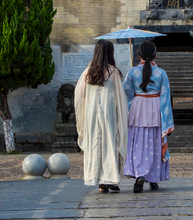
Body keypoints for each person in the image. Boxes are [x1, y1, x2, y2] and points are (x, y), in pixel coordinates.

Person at [74, 39, 128, 193]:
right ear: (110, 53)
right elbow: (120, 97)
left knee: (97, 144)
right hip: (108, 114)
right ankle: (109, 178)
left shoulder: (87, 72)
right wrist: (122, 115)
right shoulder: (113, 72)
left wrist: (83, 115)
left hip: (91, 116)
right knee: (110, 143)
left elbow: (79, 96)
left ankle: (100, 180)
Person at [123, 40, 174, 193]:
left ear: (139, 55)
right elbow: (165, 97)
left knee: (137, 141)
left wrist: (134, 101)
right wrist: (167, 120)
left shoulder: (132, 72)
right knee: (155, 142)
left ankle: (139, 173)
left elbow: (126, 90)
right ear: (154, 55)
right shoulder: (161, 73)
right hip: (155, 106)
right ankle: (153, 178)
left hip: (138, 106)